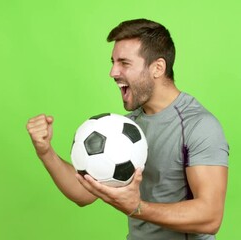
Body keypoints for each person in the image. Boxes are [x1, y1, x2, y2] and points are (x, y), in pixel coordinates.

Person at [26, 18, 229, 240]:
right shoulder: (125, 128)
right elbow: (84, 193)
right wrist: (46, 152)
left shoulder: (198, 125)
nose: (113, 72)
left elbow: (210, 217)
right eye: (112, 62)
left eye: (124, 63)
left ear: (157, 68)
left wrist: (137, 207)